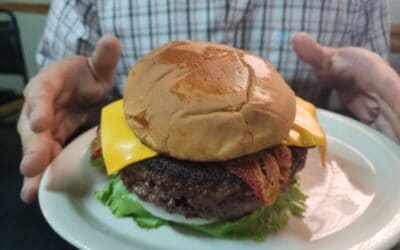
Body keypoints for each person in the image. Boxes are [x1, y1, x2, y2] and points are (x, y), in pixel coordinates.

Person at [17, 0, 400, 203]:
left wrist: (380, 118)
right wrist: (69, 109)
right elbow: (57, 77)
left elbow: (373, 111)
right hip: (132, 149)